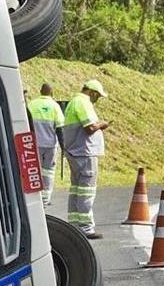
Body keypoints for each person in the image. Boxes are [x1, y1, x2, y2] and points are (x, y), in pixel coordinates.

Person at [62, 79, 111, 240]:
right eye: (97, 96)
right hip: (85, 152)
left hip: (74, 151)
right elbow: (90, 128)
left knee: (76, 189)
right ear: (92, 92)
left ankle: (74, 225)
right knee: (87, 191)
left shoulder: (72, 102)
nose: (97, 100)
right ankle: (86, 228)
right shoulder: (83, 103)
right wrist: (102, 124)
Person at [28, 83, 65, 205]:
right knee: (48, 171)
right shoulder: (55, 106)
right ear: (52, 92)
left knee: (34, 170)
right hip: (50, 145)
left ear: (40, 91)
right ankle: (45, 198)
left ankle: (34, 197)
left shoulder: (32, 104)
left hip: (34, 144)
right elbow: (60, 128)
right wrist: (63, 146)